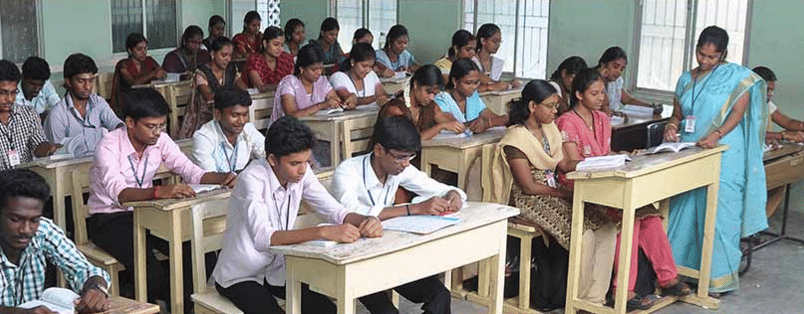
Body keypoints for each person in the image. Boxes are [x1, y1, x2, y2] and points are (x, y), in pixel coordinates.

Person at [213, 116, 382, 314]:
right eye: (295, 163)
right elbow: (263, 238)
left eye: (307, 161)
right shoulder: (251, 179)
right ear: (272, 160)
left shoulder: (301, 172)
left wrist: (366, 220)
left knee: (327, 311)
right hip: (241, 274)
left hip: (277, 271)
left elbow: (335, 210)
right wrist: (323, 232)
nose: (303, 170)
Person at [87, 88, 236, 306]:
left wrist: (224, 178)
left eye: (161, 125)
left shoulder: (160, 140)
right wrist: (159, 192)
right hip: (109, 218)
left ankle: (182, 307)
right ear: (130, 122)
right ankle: (158, 302)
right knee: (151, 273)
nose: (157, 132)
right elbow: (121, 195)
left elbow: (190, 170)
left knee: (199, 254)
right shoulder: (108, 146)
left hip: (148, 211)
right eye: (151, 126)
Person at [556, 68, 691, 310]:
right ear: (578, 94)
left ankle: (667, 278)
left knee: (649, 215)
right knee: (630, 218)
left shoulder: (602, 119)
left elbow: (604, 153)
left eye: (602, 92)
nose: (601, 98)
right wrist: (607, 161)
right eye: (594, 93)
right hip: (581, 184)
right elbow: (573, 164)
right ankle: (623, 291)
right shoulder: (567, 121)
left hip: (606, 179)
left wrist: (624, 156)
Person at [489, 79, 616, 306]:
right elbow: (528, 187)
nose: (555, 111)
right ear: (532, 106)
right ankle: (577, 301)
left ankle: (594, 300)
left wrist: (594, 163)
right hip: (529, 200)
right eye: (549, 106)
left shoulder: (549, 129)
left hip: (552, 190)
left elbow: (563, 165)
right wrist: (566, 195)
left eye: (556, 106)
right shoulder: (515, 139)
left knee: (606, 227)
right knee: (583, 234)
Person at [663, 25, 768, 295]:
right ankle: (681, 272)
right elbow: (678, 114)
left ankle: (717, 278)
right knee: (684, 209)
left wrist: (717, 134)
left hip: (725, 151)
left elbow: (737, 112)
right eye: (701, 54)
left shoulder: (736, 77)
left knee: (721, 214)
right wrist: (671, 126)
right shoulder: (685, 79)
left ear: (723, 54)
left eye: (712, 57)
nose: (705, 61)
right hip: (691, 150)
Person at [330, 116, 461, 314]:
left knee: (440, 295)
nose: (406, 164)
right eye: (400, 157)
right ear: (379, 150)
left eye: (410, 157)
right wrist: (413, 208)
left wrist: (453, 194)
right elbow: (351, 213)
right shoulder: (348, 171)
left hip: (388, 252)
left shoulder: (399, 168)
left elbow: (435, 187)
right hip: (353, 260)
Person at [0, 169, 112, 312]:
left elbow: (83, 269)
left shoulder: (43, 230)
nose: (26, 230)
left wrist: (96, 289)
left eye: (34, 220)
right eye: (16, 219)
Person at [44, 53, 123, 157]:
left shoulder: (98, 103)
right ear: (68, 82)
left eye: (91, 80)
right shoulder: (57, 114)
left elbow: (116, 124)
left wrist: (123, 131)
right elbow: (58, 154)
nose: (87, 87)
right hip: (71, 165)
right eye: (81, 81)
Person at [178, 36, 246, 139]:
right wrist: (231, 95)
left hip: (225, 116)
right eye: (223, 55)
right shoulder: (202, 72)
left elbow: (243, 88)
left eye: (230, 56)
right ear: (213, 54)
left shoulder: (231, 69)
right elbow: (208, 97)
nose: (227, 59)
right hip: (203, 118)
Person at [0, 60, 59, 170]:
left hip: (25, 178)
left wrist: (49, 149)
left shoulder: (28, 114)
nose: (10, 99)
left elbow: (38, 144)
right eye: (3, 93)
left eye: (13, 92)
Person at [378, 65, 463, 140]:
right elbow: (408, 140)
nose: (431, 97)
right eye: (428, 92)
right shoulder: (395, 109)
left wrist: (453, 124)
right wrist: (440, 127)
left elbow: (451, 122)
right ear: (415, 84)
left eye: (435, 94)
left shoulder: (430, 106)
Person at [193, 86, 265, 173]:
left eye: (245, 115)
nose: (242, 121)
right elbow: (210, 176)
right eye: (235, 115)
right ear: (218, 114)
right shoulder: (204, 137)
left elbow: (268, 155)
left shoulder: (248, 129)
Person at [434, 58, 508, 133]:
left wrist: (501, 119)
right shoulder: (441, 100)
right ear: (455, 81)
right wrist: (484, 124)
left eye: (476, 83)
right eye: (468, 83)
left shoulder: (472, 96)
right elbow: (457, 125)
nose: (474, 87)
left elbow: (489, 115)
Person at [272, 44, 341, 123]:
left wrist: (335, 102)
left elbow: (334, 98)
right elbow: (291, 115)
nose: (319, 72)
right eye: (313, 69)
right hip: (292, 128)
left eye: (321, 68)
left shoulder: (322, 81)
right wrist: (321, 106)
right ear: (301, 68)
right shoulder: (289, 84)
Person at [110, 33, 168, 117]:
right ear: (130, 50)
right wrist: (153, 74)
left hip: (146, 100)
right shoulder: (123, 64)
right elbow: (133, 83)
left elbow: (163, 73)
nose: (144, 52)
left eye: (145, 48)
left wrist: (161, 75)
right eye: (139, 49)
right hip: (127, 103)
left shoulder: (149, 61)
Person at [329, 43, 389, 110]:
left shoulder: (371, 75)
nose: (368, 70)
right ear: (352, 62)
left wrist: (383, 97)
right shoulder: (338, 77)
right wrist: (376, 98)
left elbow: (382, 94)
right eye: (364, 66)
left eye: (371, 66)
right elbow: (350, 100)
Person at [595, 46, 653, 115]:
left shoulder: (616, 81)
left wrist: (650, 106)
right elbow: (602, 108)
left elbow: (628, 99)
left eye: (622, 69)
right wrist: (601, 79)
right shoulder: (591, 80)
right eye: (615, 66)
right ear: (604, 64)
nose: (618, 71)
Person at [753, 66, 804, 142]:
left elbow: (788, 122)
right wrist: (783, 135)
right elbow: (751, 134)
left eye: (772, 90)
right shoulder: (742, 106)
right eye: (767, 90)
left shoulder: (766, 104)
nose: (771, 94)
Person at [242, 26, 294, 92]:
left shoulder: (286, 59)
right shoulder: (254, 61)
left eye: (282, 45)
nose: (280, 49)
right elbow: (260, 88)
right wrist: (283, 86)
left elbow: (292, 82)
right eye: (276, 44)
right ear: (265, 43)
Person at [473, 23, 518, 91]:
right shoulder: (472, 61)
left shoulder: (497, 62)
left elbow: (496, 83)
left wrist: (510, 84)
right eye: (495, 41)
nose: (498, 45)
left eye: (499, 41)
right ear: (483, 40)